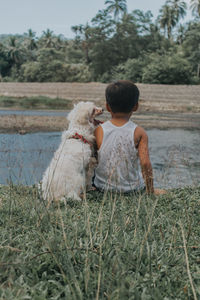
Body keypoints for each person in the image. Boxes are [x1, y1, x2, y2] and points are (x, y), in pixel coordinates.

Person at [93, 80, 166, 195]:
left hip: (102, 189)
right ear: (135, 106)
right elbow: (145, 164)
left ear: (107, 106)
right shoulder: (139, 132)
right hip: (132, 190)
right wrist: (150, 190)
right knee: (164, 193)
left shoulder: (98, 130)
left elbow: (92, 161)